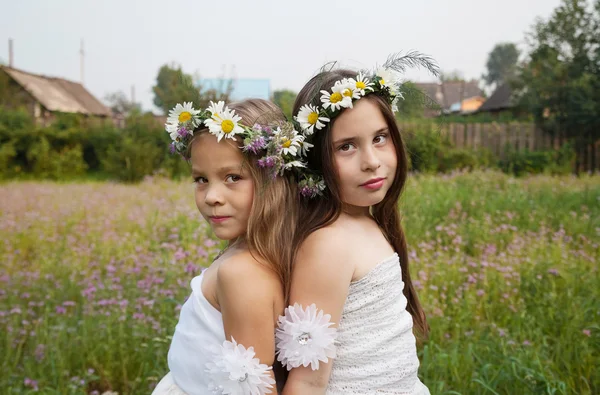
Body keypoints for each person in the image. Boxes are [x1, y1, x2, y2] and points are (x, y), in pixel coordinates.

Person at [276, 54, 439, 394]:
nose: (372, 162)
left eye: (380, 138)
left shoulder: (369, 221)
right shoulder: (328, 245)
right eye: (346, 147)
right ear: (314, 160)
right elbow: (307, 381)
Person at [153, 98, 307, 395]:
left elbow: (255, 389)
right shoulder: (248, 254)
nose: (211, 196)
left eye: (233, 177)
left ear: (272, 179)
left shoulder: (242, 274)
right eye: (201, 179)